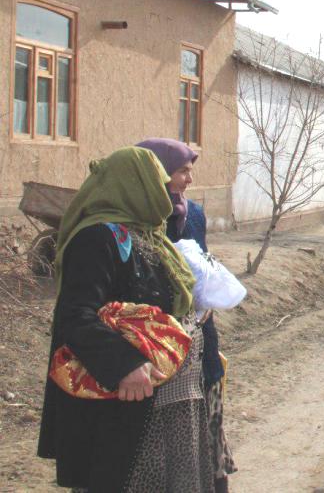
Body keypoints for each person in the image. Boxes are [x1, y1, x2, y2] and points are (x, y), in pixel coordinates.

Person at [38, 147, 214, 492]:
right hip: (119, 402)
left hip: (163, 401)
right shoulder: (95, 238)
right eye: (157, 183)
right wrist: (124, 364)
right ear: (134, 185)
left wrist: (192, 316)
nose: (165, 192)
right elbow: (76, 315)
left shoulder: (150, 235)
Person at [137, 138, 236, 492]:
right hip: (158, 338)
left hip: (200, 333)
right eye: (182, 171)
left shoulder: (193, 214)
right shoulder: (140, 217)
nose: (189, 179)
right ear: (159, 172)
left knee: (206, 417)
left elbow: (203, 262)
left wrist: (208, 297)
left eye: (190, 171)